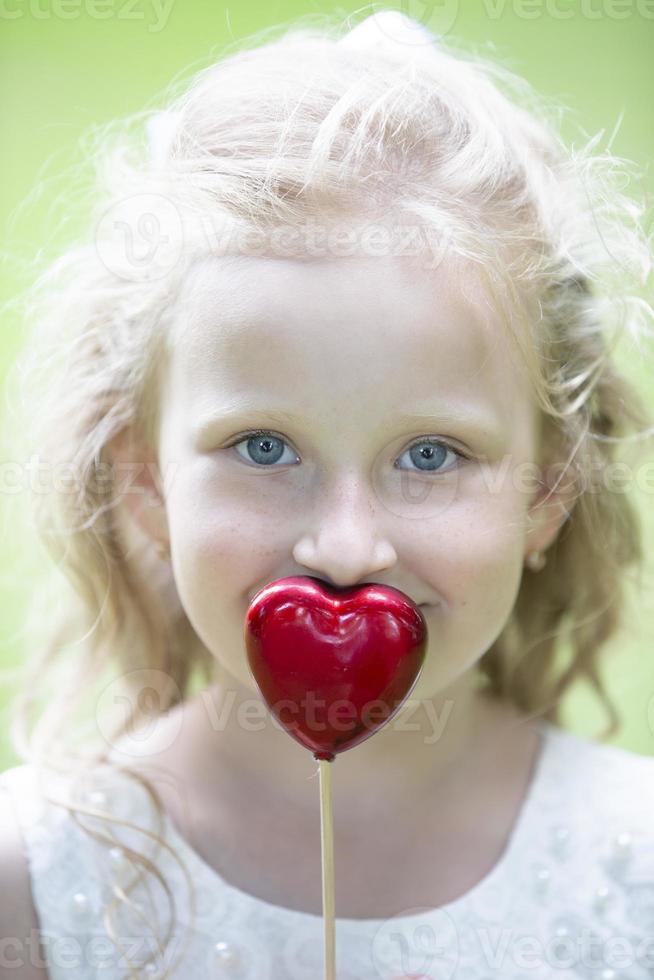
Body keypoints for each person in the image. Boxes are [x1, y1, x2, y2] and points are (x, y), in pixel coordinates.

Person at [1, 8, 654, 979]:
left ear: (547, 488)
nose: (345, 549)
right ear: (145, 479)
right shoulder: (36, 885)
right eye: (264, 444)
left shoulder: (632, 869)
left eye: (431, 454)